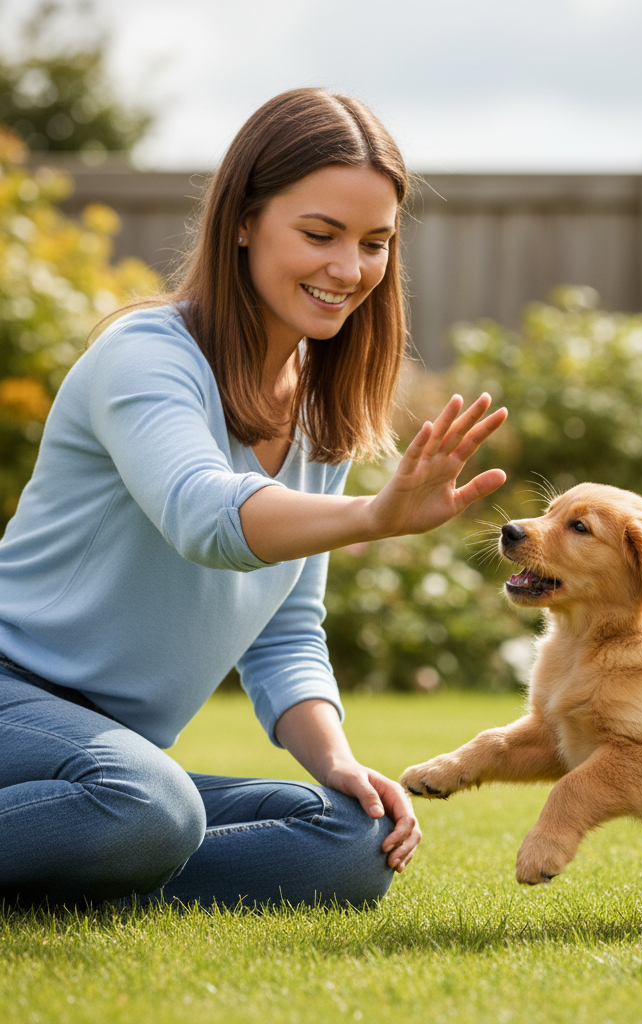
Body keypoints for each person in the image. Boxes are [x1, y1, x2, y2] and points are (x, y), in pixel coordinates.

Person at [0, 88, 507, 909]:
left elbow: (283, 630)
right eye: (320, 234)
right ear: (243, 220)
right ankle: (114, 840)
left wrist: (337, 763)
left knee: (352, 837)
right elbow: (206, 516)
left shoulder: (317, 407)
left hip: (113, 758)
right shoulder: (146, 359)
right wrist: (375, 518)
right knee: (147, 801)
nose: (350, 269)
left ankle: (93, 861)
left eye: (374, 243)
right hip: (13, 694)